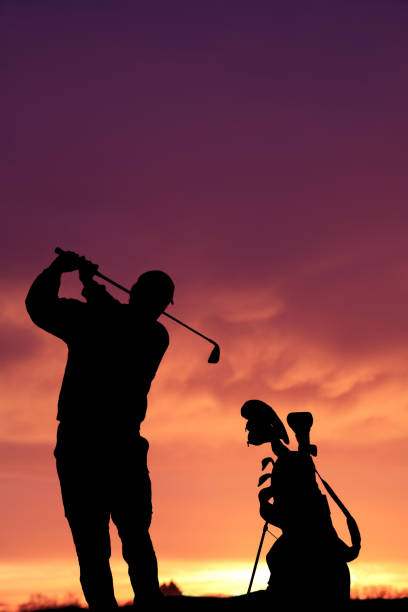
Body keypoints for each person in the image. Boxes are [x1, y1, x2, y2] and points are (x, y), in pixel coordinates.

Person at [25, 250, 174, 609]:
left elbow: (114, 323)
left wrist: (70, 275)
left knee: (122, 542)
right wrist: (82, 282)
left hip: (93, 446)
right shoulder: (137, 327)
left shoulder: (147, 333)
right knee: (105, 545)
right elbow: (40, 307)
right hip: (105, 446)